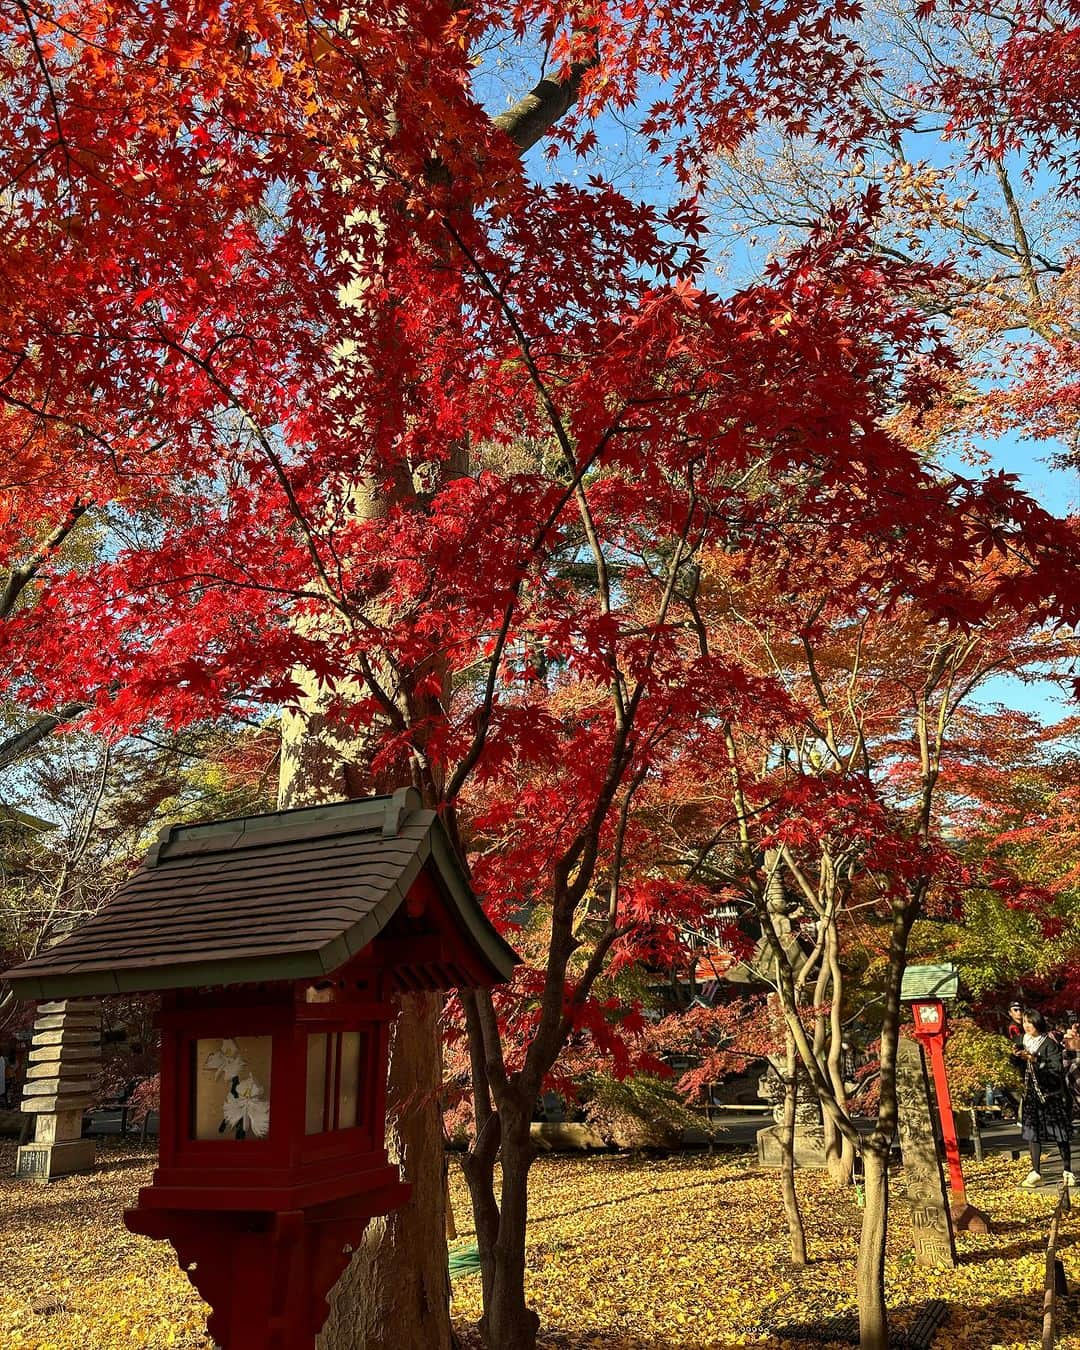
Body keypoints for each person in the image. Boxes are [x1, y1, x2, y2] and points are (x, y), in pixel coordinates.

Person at [1015, 1009, 1075, 1188]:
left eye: (1030, 1022)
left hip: (1050, 1096)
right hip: (1030, 1095)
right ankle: (1035, 1171)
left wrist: (1034, 1059)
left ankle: (1067, 1170)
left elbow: (1056, 1069)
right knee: (1032, 1134)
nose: (1026, 1025)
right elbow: (1014, 1067)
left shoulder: (1049, 1044)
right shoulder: (1020, 1041)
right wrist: (1016, 1058)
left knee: (1059, 1134)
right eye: (1024, 1022)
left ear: (1037, 1023)